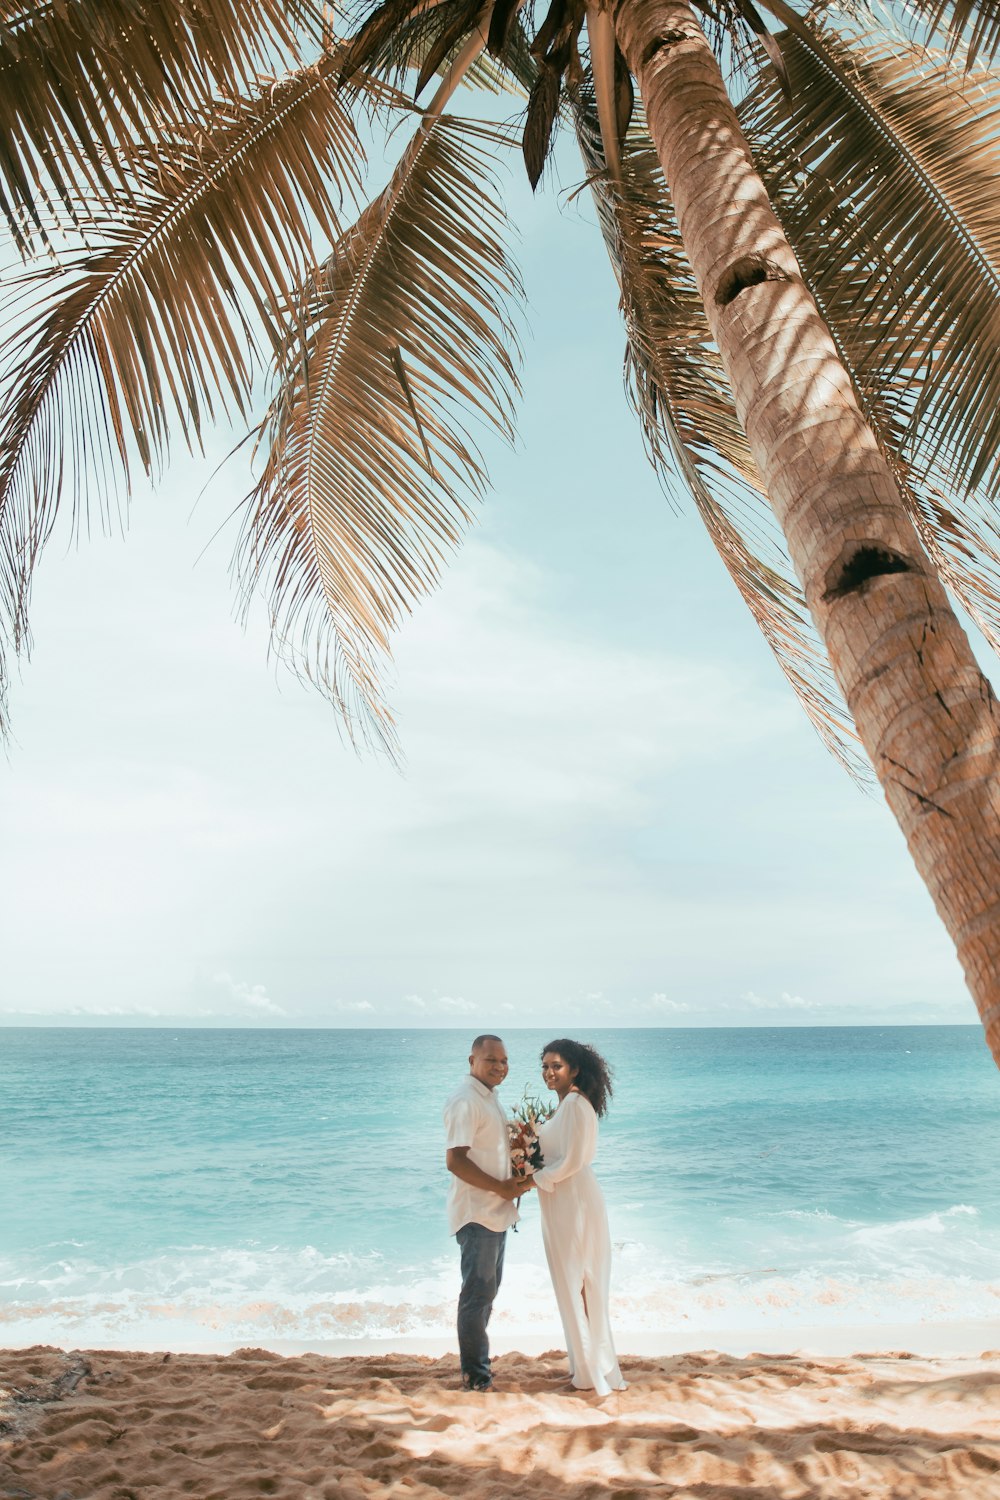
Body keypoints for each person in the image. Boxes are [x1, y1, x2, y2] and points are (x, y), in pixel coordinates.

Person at [533, 1037, 626, 1396]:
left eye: (555, 1066)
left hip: (573, 1199)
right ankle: (585, 1367)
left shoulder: (574, 1104)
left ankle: (592, 1371)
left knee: (581, 1282)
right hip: (561, 1198)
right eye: (544, 1066)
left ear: (574, 1069)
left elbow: (573, 1161)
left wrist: (535, 1178)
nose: (548, 1073)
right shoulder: (565, 1106)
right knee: (573, 1282)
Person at [444, 1034, 532, 1392]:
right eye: (491, 1060)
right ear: (472, 1061)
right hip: (477, 1213)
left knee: (486, 1294)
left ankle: (479, 1367)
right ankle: (476, 1377)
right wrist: (501, 1188)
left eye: (505, 1061)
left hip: (495, 1212)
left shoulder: (489, 1098)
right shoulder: (465, 1101)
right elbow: (455, 1161)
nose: (500, 1067)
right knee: (476, 1296)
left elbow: (492, 1152)